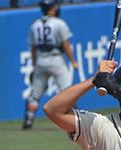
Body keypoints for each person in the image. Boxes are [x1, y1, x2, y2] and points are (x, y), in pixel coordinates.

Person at [23, 0, 78, 130]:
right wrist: (72, 61)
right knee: (67, 91)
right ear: (52, 9)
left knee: (35, 95)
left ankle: (28, 121)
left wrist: (35, 65)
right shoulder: (59, 23)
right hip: (56, 59)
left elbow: (32, 48)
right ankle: (75, 120)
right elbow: (65, 44)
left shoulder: (34, 25)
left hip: (41, 59)